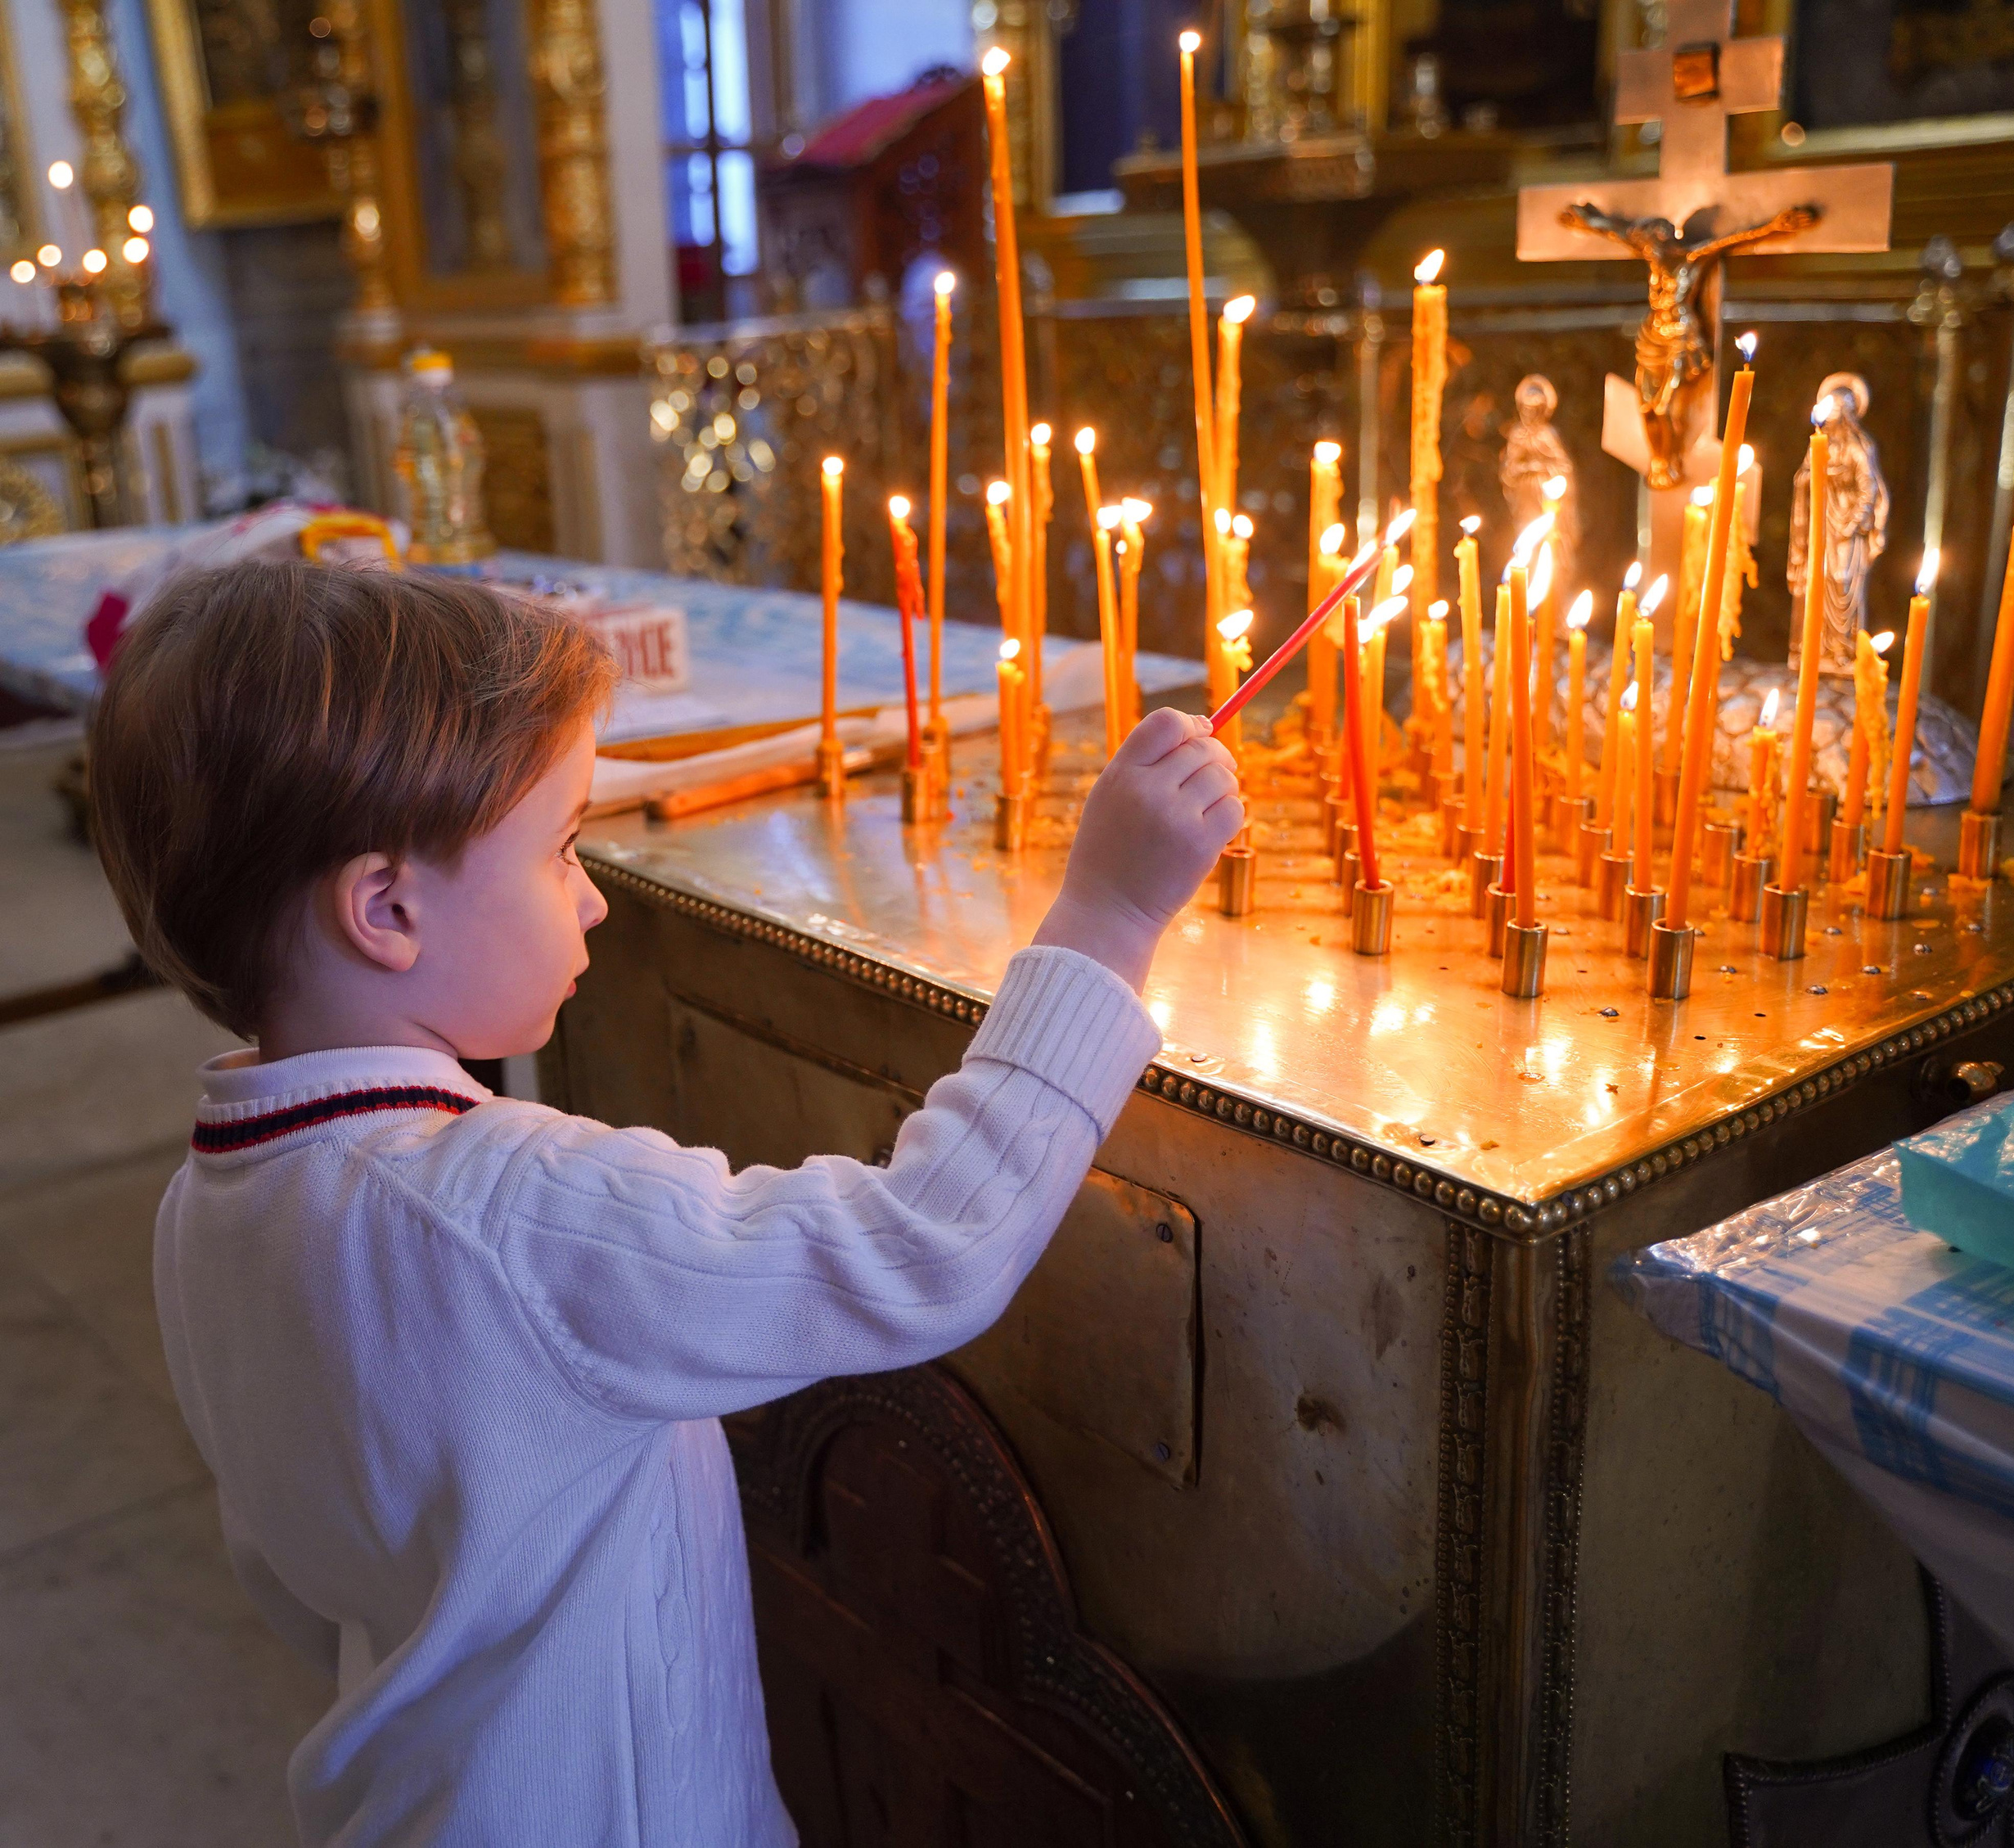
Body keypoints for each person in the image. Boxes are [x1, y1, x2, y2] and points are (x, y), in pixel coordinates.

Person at [88, 561, 1243, 1846]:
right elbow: (918, 1247)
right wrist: (1108, 918)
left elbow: (296, 1564)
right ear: (388, 908)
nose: (591, 893)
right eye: (560, 847)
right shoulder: (512, 1210)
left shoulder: (205, 1205)